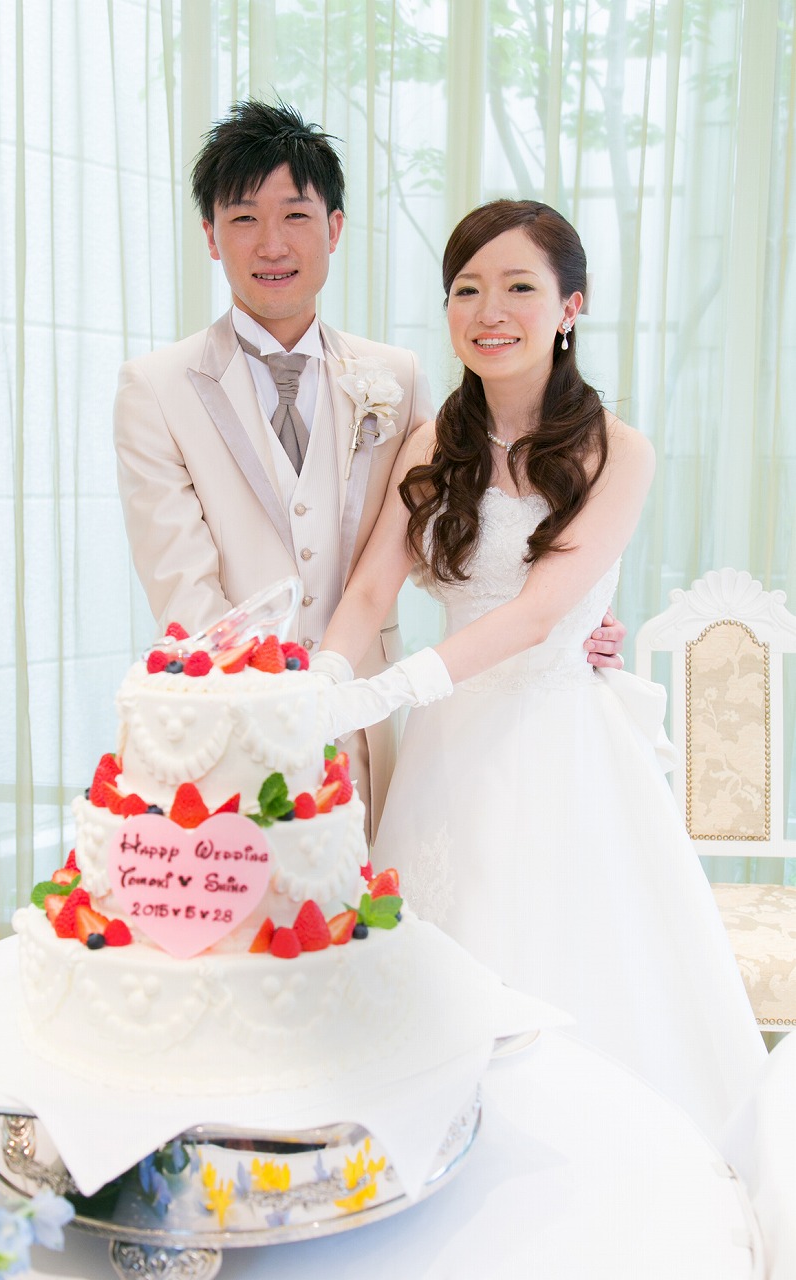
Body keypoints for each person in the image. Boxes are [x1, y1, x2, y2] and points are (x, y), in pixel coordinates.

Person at [314, 199, 765, 1138]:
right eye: (466, 289)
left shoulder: (618, 451)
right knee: (438, 964)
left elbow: (535, 614)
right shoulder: (433, 441)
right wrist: (316, 683)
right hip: (445, 750)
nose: (490, 311)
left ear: (569, 306)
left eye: (519, 286)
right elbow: (366, 592)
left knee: (571, 968)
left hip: (561, 739)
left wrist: (388, 688)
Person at [113, 99, 625, 838]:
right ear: (210, 236)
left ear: (334, 228)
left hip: (374, 733)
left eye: (295, 215)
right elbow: (181, 584)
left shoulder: (395, 375)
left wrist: (576, 611)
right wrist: (277, 711)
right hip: (231, 727)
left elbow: (454, 527)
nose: (272, 243)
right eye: (243, 218)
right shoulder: (156, 388)